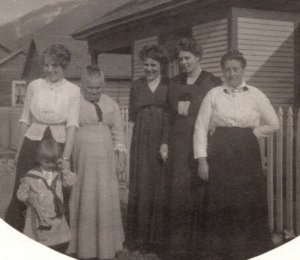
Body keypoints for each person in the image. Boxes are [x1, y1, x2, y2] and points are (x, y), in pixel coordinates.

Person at [193, 49, 279, 260]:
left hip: (246, 154)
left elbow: (274, 123)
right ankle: (220, 251)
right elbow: (200, 128)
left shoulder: (255, 94)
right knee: (221, 200)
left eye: (235, 69)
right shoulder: (213, 94)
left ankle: (248, 250)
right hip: (220, 152)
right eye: (227, 70)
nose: (231, 74)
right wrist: (202, 160)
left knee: (246, 200)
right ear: (222, 71)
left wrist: (252, 134)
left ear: (243, 69)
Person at [5, 43, 80, 232]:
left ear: (63, 65)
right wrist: (19, 150)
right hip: (32, 142)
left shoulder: (73, 90)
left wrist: (65, 158)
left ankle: (56, 242)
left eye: (55, 65)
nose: (50, 69)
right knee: (23, 189)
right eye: (46, 65)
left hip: (58, 145)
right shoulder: (34, 86)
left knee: (56, 193)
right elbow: (25, 118)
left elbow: (72, 125)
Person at [166, 37, 222, 259]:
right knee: (179, 193)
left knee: (201, 191)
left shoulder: (212, 81)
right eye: (180, 59)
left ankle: (200, 246)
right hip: (179, 144)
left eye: (187, 58)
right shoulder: (174, 81)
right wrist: (165, 142)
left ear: (198, 57)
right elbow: (168, 115)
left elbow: (219, 111)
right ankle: (178, 247)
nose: (183, 63)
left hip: (203, 144)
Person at [68, 65, 126, 260]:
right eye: (89, 88)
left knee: (104, 195)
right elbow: (69, 129)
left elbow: (118, 131)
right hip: (83, 158)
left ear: (103, 85)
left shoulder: (110, 104)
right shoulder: (75, 103)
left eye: (98, 88)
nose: (94, 92)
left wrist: (121, 153)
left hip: (106, 158)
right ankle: (85, 247)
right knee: (86, 194)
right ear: (82, 86)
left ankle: (106, 245)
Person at [126, 45, 170, 255]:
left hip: (164, 137)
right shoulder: (136, 86)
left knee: (160, 186)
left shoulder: (170, 85)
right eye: (146, 65)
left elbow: (172, 115)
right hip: (142, 139)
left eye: (154, 64)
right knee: (142, 185)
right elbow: (133, 115)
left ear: (161, 66)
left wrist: (165, 140)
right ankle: (139, 239)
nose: (149, 68)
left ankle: (159, 240)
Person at [17, 139, 76, 253]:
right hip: (38, 215)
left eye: (53, 162)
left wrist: (63, 168)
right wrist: (28, 198)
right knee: (40, 243)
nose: (50, 165)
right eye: (46, 162)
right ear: (39, 159)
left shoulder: (58, 174)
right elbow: (21, 193)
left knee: (58, 241)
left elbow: (71, 181)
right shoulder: (31, 176)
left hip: (55, 215)